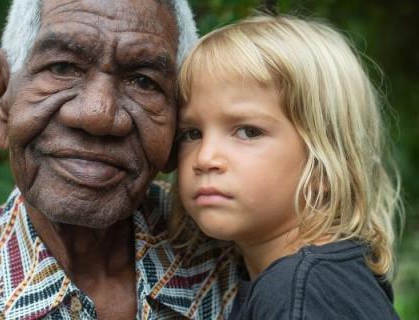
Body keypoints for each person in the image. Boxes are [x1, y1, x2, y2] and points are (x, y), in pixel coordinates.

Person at [0, 0, 240, 319]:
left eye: (143, 81)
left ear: (180, 124)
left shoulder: (235, 252)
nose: (98, 115)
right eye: (62, 67)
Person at [170, 14, 402, 319]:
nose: (204, 158)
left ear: (326, 164)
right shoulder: (316, 279)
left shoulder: (304, 293)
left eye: (248, 131)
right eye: (192, 134)